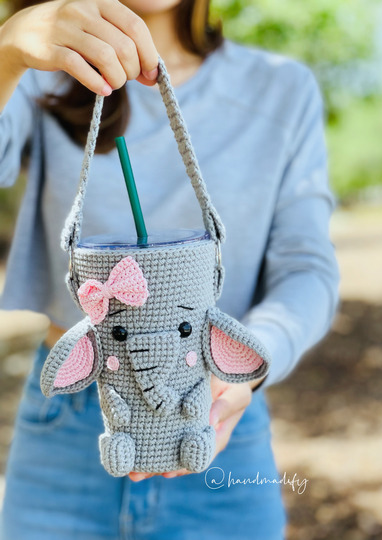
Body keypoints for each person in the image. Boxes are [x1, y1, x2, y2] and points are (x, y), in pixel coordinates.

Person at [0, 0, 340, 538]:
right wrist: (7, 52)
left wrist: (247, 364)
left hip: (219, 416)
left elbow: (307, 267)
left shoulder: (282, 89)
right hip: (66, 421)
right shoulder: (39, 75)